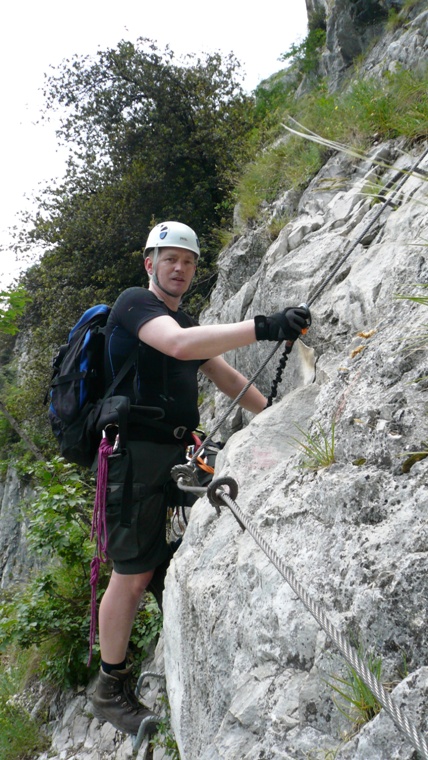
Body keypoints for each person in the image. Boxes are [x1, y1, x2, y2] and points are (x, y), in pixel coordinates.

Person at [91, 221, 310, 735]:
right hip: (131, 461)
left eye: (188, 262)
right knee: (132, 572)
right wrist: (263, 326)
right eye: (169, 259)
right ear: (150, 264)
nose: (179, 269)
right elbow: (181, 346)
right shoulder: (134, 306)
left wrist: (280, 419)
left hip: (167, 457)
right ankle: (108, 688)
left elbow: (229, 377)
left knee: (160, 559)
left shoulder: (184, 319)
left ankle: (168, 633)